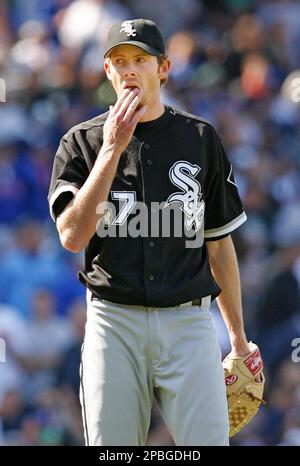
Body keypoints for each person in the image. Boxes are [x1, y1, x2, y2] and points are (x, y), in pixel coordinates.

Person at [48, 18, 251, 446]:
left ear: (164, 67)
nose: (128, 70)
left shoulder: (200, 138)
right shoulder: (81, 143)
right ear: (107, 71)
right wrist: (111, 149)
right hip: (113, 321)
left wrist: (238, 340)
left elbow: (218, 243)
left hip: (189, 321)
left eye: (140, 59)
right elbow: (72, 236)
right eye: (118, 61)